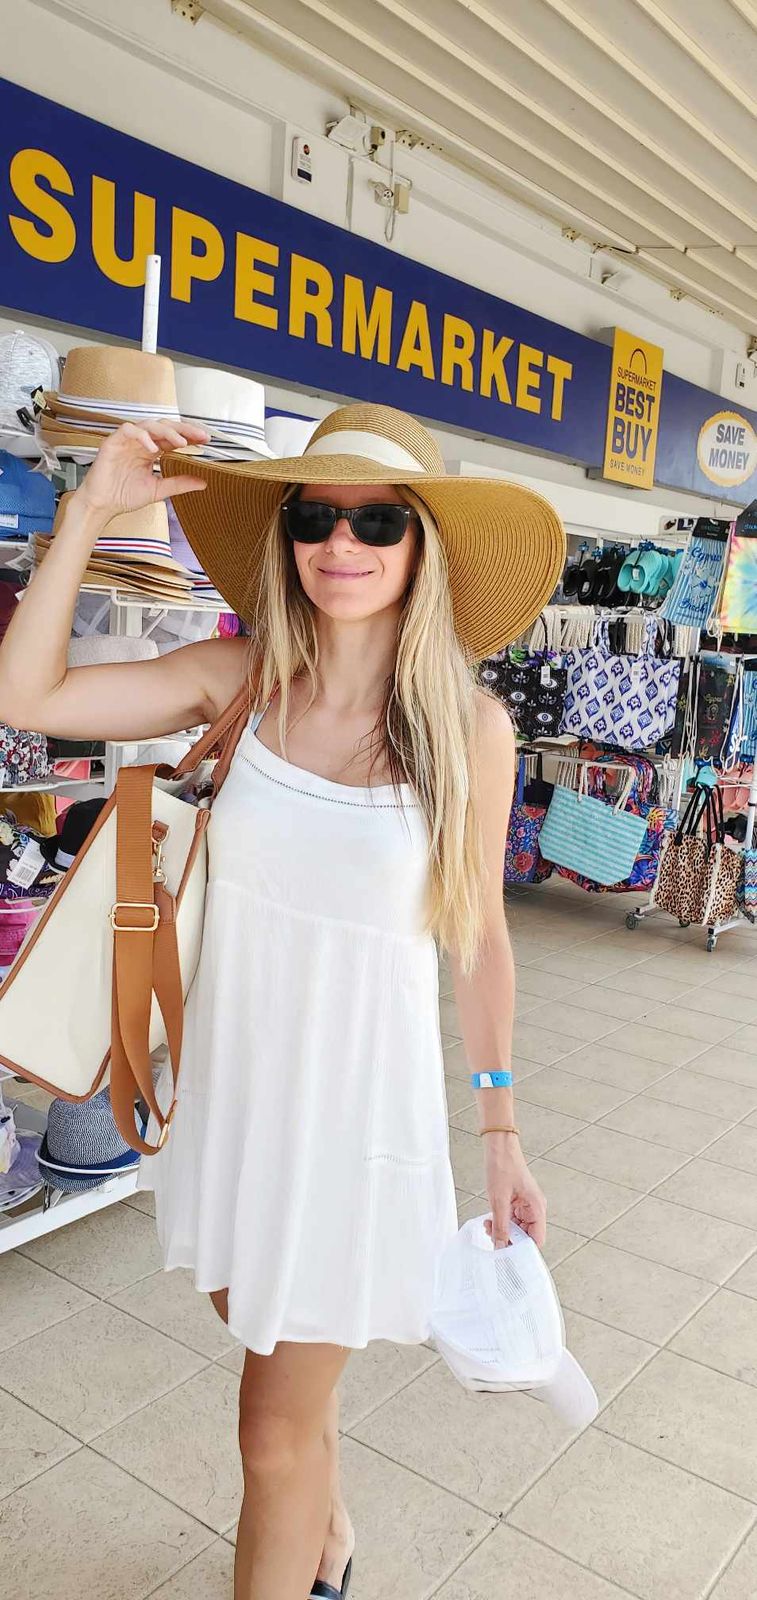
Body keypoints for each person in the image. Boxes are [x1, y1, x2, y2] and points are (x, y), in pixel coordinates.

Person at [0, 401, 565, 1600]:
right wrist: (90, 510)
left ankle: (306, 1546)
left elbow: (478, 939)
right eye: (315, 516)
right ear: (289, 535)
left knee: (267, 1429)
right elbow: (27, 694)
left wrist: (501, 1130)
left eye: (376, 521)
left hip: (356, 1119)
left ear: (421, 545)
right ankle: (331, 1525)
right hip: (232, 1095)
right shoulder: (240, 681)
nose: (340, 543)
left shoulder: (467, 728)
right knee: (262, 1337)